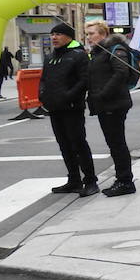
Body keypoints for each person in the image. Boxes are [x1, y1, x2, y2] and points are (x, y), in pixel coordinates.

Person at [39, 22, 98, 197]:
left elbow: (84, 80)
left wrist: (69, 95)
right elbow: (44, 79)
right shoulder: (50, 57)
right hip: (54, 107)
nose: (54, 37)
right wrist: (42, 95)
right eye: (52, 34)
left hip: (72, 108)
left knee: (78, 144)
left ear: (68, 37)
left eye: (58, 34)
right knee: (64, 145)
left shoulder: (78, 55)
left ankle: (90, 180)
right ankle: (73, 180)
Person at [83, 21, 137, 197]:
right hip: (105, 104)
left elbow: (121, 72)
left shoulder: (114, 49)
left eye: (92, 34)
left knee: (117, 143)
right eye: (88, 34)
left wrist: (102, 94)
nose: (89, 37)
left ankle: (125, 181)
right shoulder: (99, 52)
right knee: (114, 143)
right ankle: (122, 179)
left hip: (113, 103)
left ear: (103, 34)